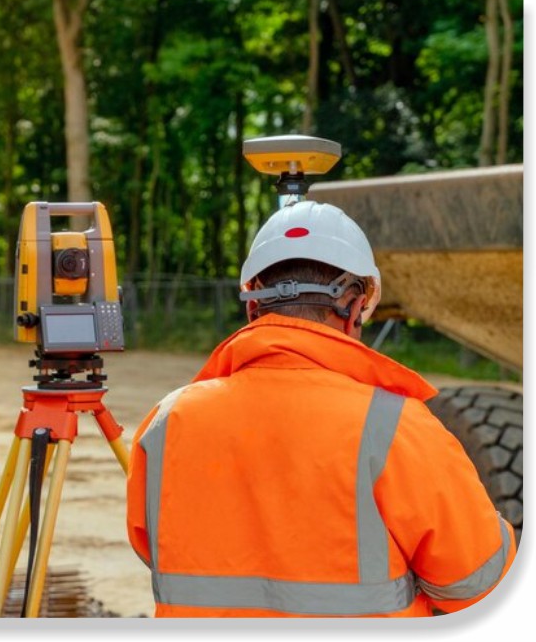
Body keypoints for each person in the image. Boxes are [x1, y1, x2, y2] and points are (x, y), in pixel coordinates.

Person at [126, 199, 516, 617]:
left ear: (253, 304)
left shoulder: (168, 422)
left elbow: (157, 548)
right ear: (352, 305)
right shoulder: (397, 428)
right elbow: (481, 586)